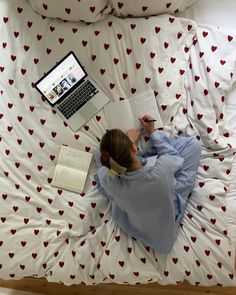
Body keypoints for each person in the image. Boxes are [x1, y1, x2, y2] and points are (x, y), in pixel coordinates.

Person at [94, 114, 201, 254]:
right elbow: (174, 158)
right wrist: (152, 132)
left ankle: (130, 160)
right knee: (193, 146)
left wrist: (129, 143)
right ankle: (139, 156)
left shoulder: (108, 179)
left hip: (135, 223)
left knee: (97, 154)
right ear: (134, 148)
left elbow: (105, 168)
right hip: (164, 225)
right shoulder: (161, 169)